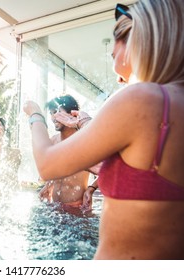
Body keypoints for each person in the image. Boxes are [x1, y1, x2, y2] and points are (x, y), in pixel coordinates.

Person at [23, 0, 184, 259]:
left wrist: (36, 115)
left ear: (138, 39)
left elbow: (46, 164)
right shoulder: (168, 107)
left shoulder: (143, 100)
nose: (114, 57)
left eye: (116, 45)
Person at [38, 95, 99, 212]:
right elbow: (55, 170)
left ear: (72, 114)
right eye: (51, 113)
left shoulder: (84, 140)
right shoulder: (53, 141)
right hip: (54, 207)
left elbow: (108, 167)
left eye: (56, 112)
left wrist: (91, 189)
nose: (53, 117)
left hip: (77, 208)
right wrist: (48, 185)